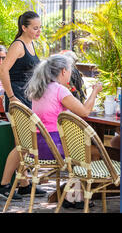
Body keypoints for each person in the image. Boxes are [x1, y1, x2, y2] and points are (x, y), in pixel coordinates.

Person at [0, 55, 103, 205]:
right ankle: (74, 197)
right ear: (63, 71)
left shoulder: (40, 88)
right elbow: (85, 111)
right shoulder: (59, 90)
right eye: (69, 70)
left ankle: (72, 195)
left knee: (80, 148)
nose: (70, 73)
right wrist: (95, 92)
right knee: (93, 152)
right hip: (52, 148)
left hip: (36, 146)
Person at [0, 11, 41, 112]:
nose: (39, 31)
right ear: (24, 28)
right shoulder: (18, 45)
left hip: (28, 96)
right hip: (17, 96)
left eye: (40, 27)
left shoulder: (31, 43)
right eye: (35, 28)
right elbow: (3, 70)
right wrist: (11, 97)